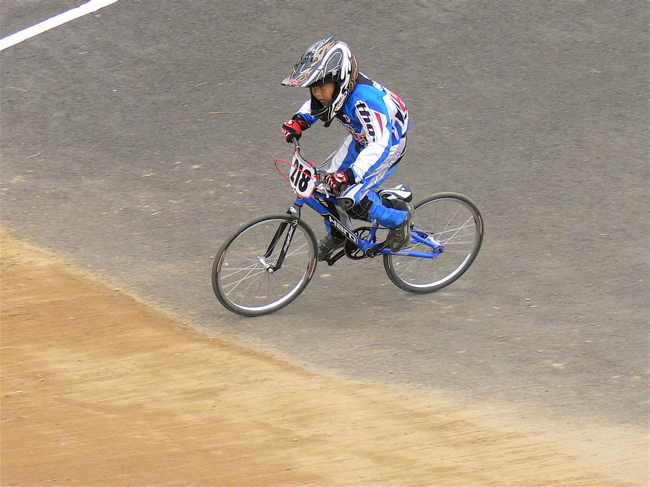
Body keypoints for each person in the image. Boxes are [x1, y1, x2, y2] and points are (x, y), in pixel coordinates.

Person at [281, 36, 412, 261]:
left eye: (322, 86)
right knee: (324, 187)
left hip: (386, 145)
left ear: (340, 81)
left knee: (353, 199)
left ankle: (399, 218)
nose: (317, 93)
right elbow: (317, 105)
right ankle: (339, 234)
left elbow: (379, 144)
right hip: (361, 139)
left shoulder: (365, 101)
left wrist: (350, 174)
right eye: (313, 87)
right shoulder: (337, 92)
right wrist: (300, 121)